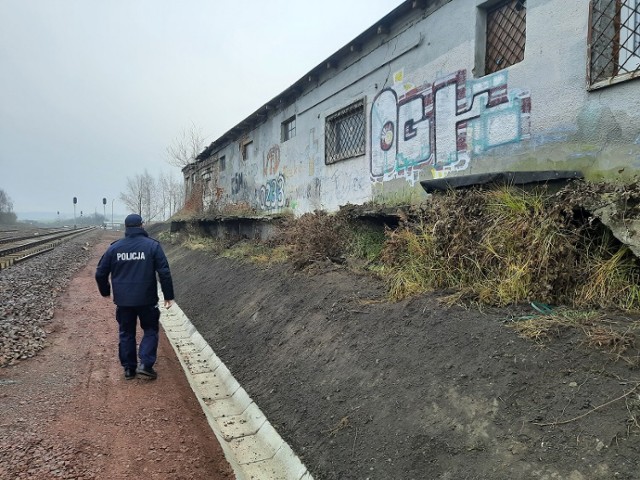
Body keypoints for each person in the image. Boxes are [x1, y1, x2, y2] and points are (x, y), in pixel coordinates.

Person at [95, 213, 175, 380]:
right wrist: (168, 296)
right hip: (147, 299)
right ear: (141, 226)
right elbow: (164, 272)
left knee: (126, 332)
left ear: (126, 228)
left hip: (123, 301)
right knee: (150, 330)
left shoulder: (114, 248)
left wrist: (105, 291)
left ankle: (129, 369)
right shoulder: (152, 246)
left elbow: (100, 273)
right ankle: (145, 364)